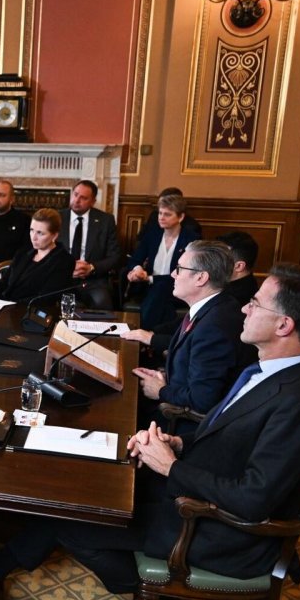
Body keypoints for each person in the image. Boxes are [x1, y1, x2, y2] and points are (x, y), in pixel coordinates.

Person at [0, 263, 300, 600]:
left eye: (254, 302)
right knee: (82, 487)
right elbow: (232, 437)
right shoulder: (270, 370)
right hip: (197, 485)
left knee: (78, 517)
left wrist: (172, 467)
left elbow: (255, 499)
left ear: (284, 325)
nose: (243, 306)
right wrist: (177, 446)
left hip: (217, 529)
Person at [129, 241, 252, 433]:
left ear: (201, 277)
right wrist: (164, 377)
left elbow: (203, 399)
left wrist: (160, 390)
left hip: (181, 426)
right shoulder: (213, 305)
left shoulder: (215, 326)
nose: (172, 275)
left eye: (179, 269)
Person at [125, 194, 198, 329]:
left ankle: (144, 334)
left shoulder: (190, 239)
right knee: (163, 304)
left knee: (160, 290)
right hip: (149, 288)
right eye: (160, 213)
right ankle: (156, 342)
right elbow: (135, 259)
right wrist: (137, 269)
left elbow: (183, 273)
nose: (161, 217)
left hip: (177, 288)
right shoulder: (153, 234)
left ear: (180, 217)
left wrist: (150, 278)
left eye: (167, 214)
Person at [57, 179, 123, 310]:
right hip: (62, 278)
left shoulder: (106, 220)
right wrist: (67, 268)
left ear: (93, 201)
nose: (77, 200)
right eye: (75, 195)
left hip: (94, 280)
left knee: (103, 302)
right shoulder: (57, 218)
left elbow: (115, 256)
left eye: (83, 198)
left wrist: (91, 268)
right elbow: (46, 250)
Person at [0, 207, 74, 302]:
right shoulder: (22, 253)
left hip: (30, 312)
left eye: (40, 233)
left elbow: (45, 298)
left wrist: (8, 305)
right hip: (2, 308)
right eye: (32, 230)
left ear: (54, 235)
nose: (33, 237)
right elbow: (2, 284)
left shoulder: (64, 261)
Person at [217, 230, 260, 304]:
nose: (213, 261)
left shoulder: (232, 301)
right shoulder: (245, 282)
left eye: (220, 257)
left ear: (239, 266)